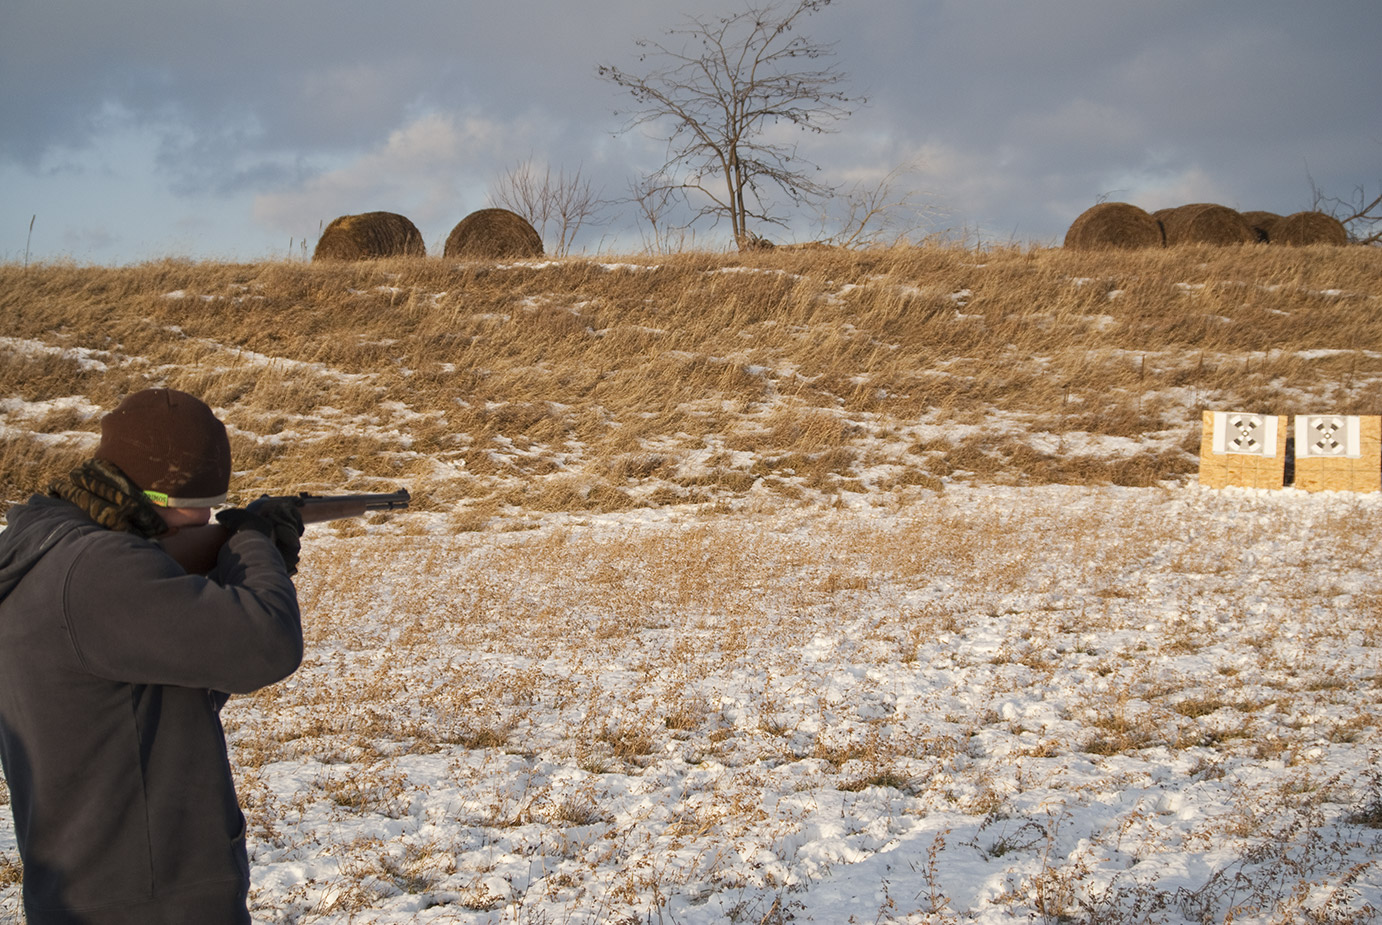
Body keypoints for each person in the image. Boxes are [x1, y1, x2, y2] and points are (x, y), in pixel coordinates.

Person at [0, 388, 306, 925]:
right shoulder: (97, 571)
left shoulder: (48, 549)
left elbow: (182, 684)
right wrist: (252, 545)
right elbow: (266, 645)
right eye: (203, 507)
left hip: (101, 886)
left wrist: (231, 573)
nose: (210, 518)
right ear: (153, 498)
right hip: (150, 901)